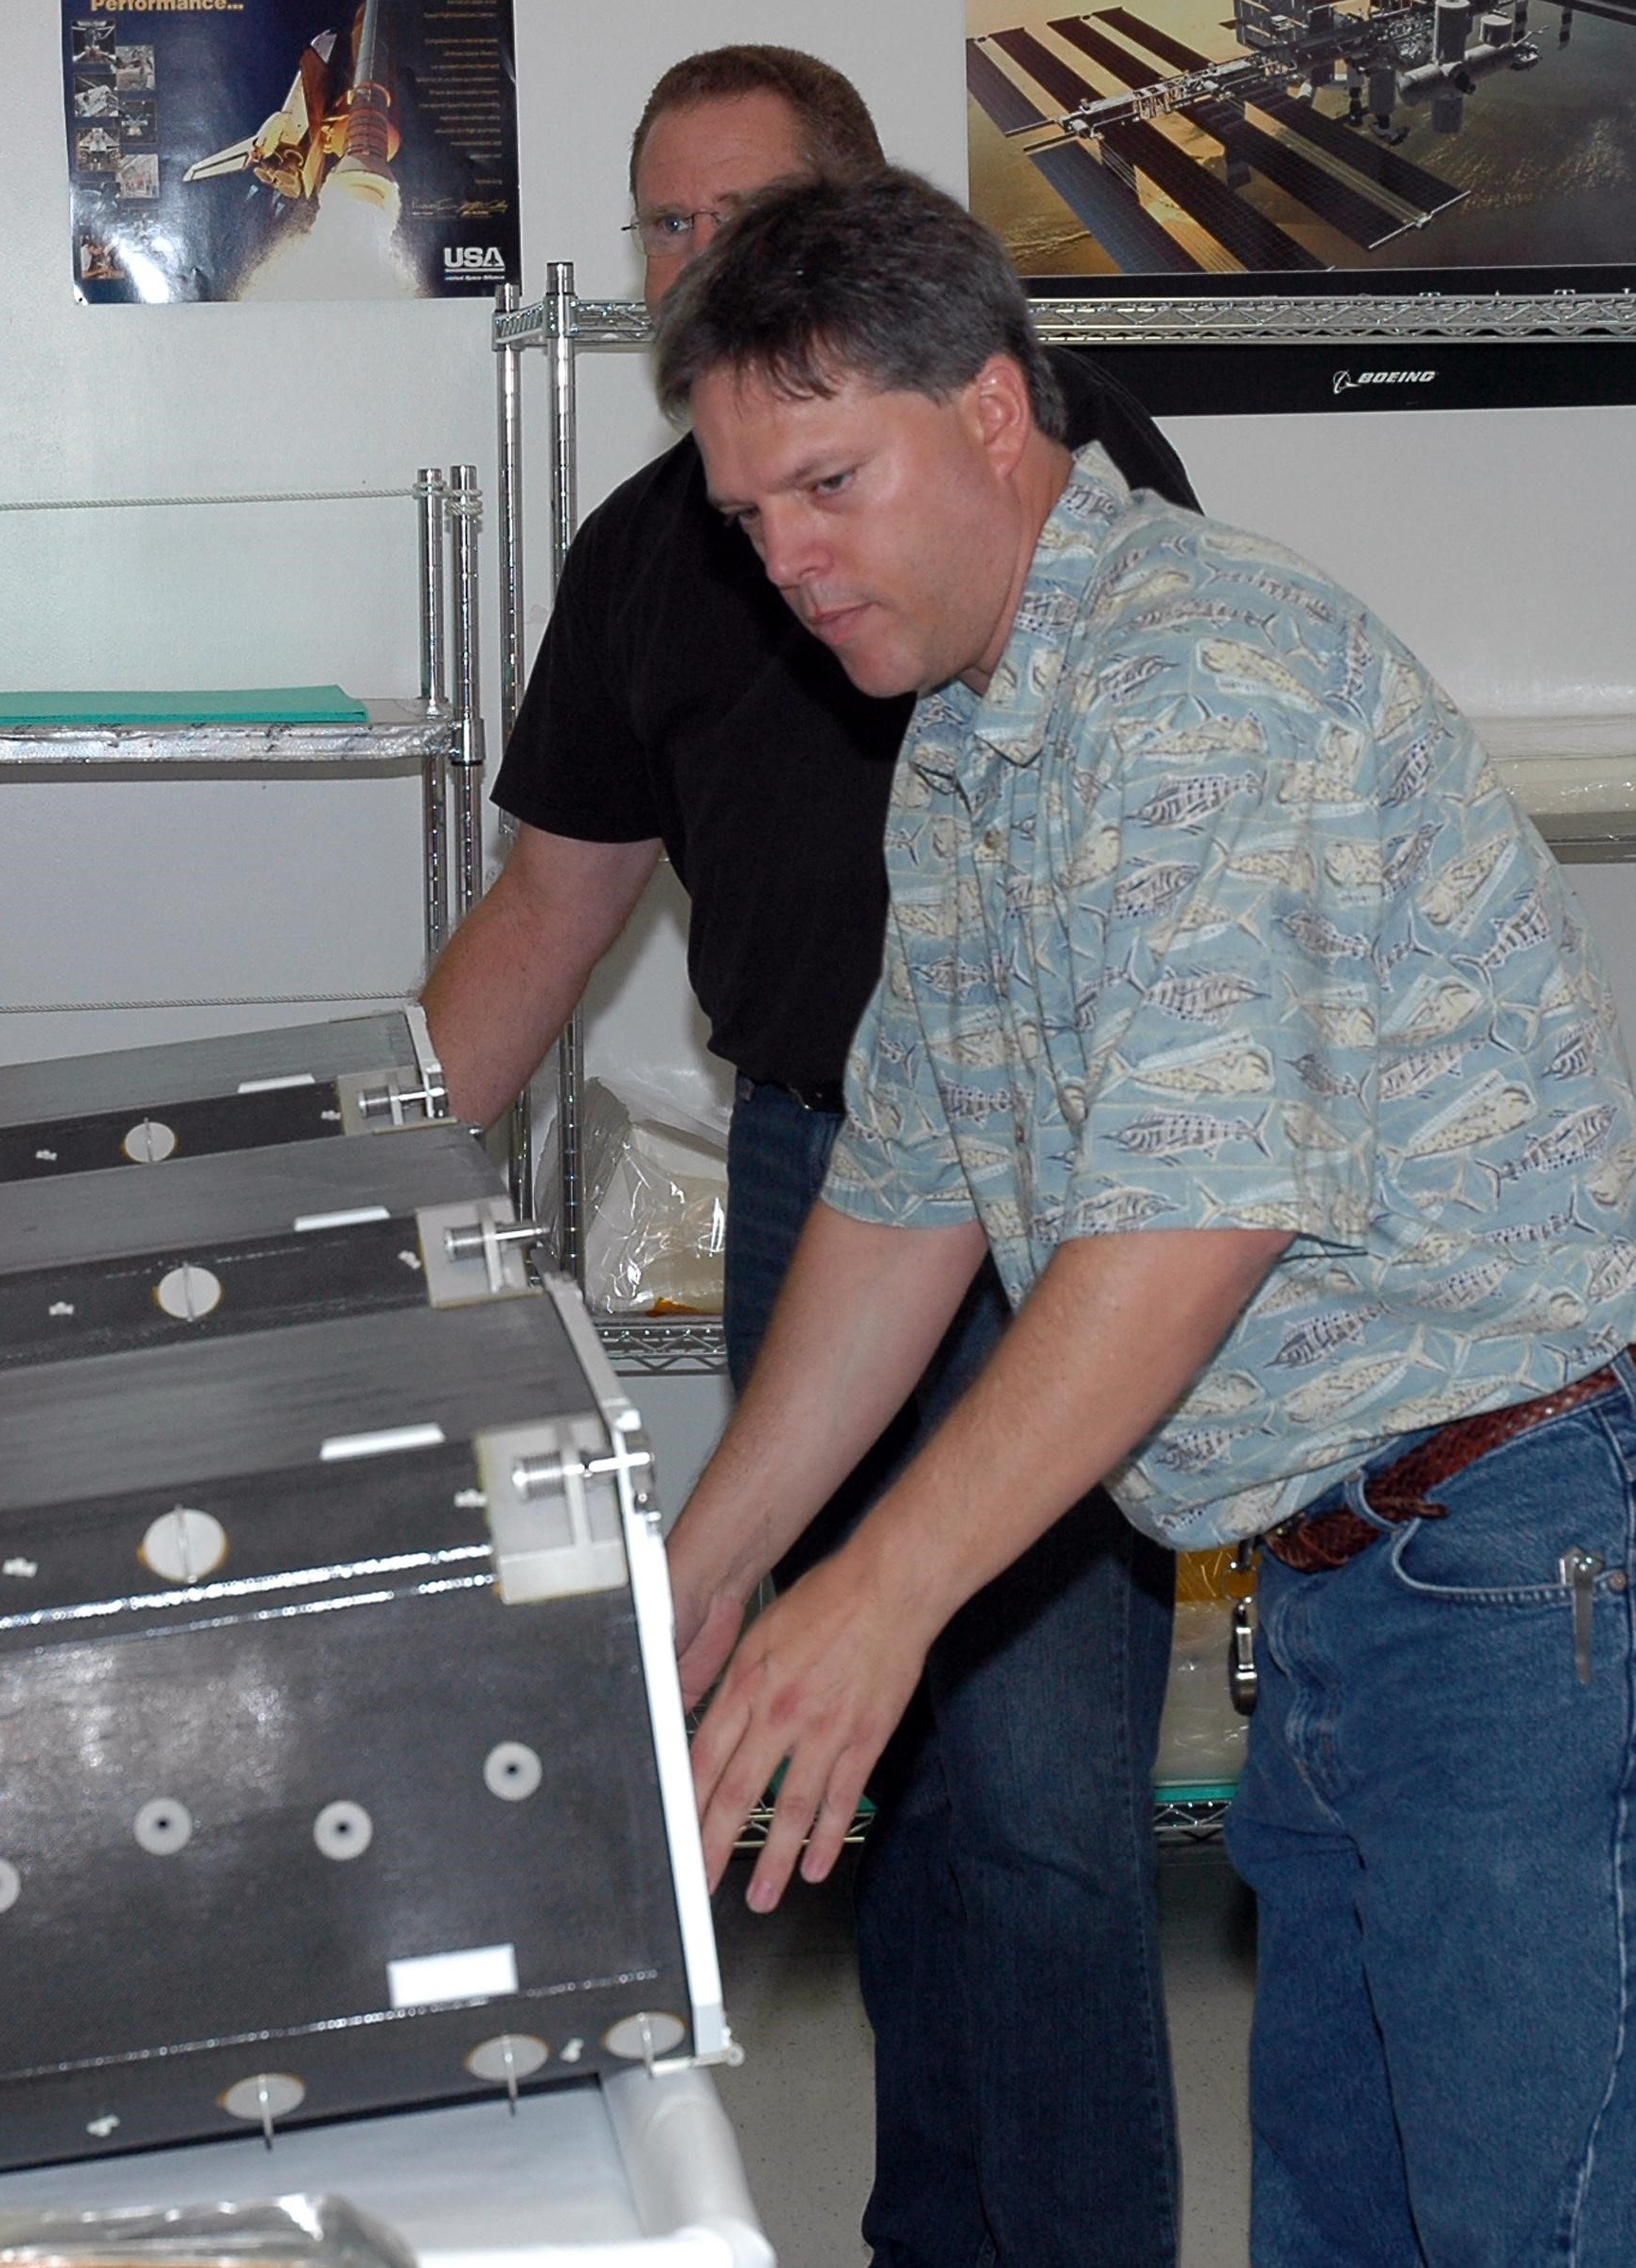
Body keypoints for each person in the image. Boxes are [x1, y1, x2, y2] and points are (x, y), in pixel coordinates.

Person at [656, 167, 1636, 2266]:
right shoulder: (970, 738)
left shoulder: (1195, 680)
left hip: (1555, 1549)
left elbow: (1189, 1228)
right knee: (1348, 2229)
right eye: (749, 518)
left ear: (993, 413)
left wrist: (881, 1592)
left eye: (828, 484)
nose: (788, 562)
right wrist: (707, 1574)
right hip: (1370, 1568)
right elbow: (911, 1190)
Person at [418, 46, 1195, 2268]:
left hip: (1075, 1197)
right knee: (867, 1779)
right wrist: (349, 1196)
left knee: (1037, 1801)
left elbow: (1186, 1106)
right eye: (664, 228)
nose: (701, 264)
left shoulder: (1076, 520)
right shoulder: (653, 556)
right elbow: (548, 915)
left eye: (742, 217)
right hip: (829, 1178)